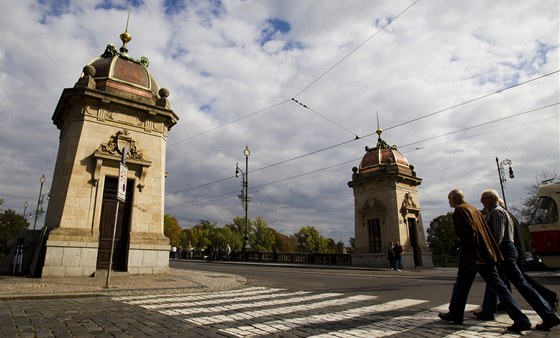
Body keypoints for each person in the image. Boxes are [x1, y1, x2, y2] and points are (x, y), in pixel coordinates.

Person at [438, 189, 532, 333]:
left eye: (449, 198)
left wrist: (462, 246)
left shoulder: (460, 210)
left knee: (461, 285)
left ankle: (456, 314)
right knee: (500, 287)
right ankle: (521, 319)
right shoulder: (475, 210)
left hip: (472, 255)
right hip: (486, 255)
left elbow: (469, 233)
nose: (448, 201)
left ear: (455, 198)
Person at [474, 189, 560, 331]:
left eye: (483, 198)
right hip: (507, 249)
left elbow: (497, 237)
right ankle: (490, 310)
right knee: (499, 284)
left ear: (491, 199)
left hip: (504, 251)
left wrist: (490, 254)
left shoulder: (496, 212)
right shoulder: (501, 212)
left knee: (520, 284)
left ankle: (546, 315)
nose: (481, 201)